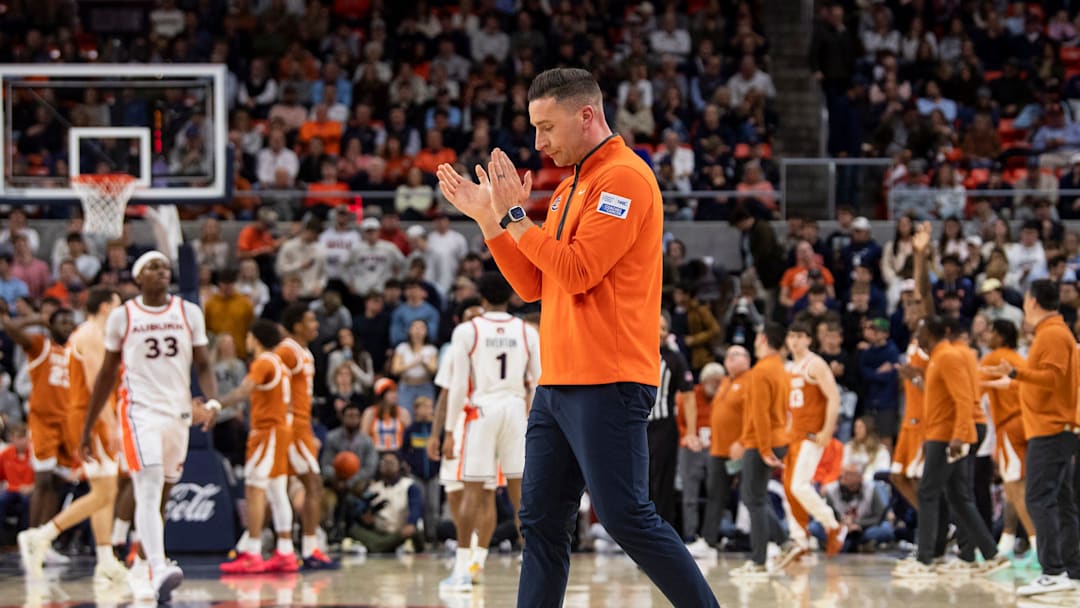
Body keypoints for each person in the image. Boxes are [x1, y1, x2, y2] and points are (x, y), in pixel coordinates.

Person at [435, 68, 719, 606]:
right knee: (540, 521)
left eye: (547, 127)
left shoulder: (625, 180)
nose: (539, 143)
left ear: (586, 115)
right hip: (558, 382)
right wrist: (491, 224)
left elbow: (580, 270)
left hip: (608, 378)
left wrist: (516, 217)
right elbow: (534, 284)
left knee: (626, 517)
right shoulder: (570, 186)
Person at [79, 251, 218, 603]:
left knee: (165, 492)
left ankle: (141, 565)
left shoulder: (189, 312)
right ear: (138, 277)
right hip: (140, 412)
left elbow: (203, 363)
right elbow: (107, 374)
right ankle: (158, 565)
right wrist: (88, 424)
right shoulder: (122, 316)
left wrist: (212, 400)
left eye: (165, 267)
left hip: (178, 414)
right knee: (149, 483)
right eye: (153, 267)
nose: (162, 271)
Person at [16, 287, 127, 582]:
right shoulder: (90, 335)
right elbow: (94, 384)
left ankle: (104, 558)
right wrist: (111, 422)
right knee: (104, 492)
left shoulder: (92, 334)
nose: (120, 310)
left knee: (107, 491)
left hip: (89, 414)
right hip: (91, 415)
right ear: (105, 307)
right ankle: (41, 535)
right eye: (117, 304)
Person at [441, 272, 541, 591]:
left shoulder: (467, 330)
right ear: (510, 296)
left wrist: (448, 429)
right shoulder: (527, 331)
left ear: (481, 298)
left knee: (472, 490)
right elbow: (537, 383)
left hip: (481, 410)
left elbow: (457, 385)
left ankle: (461, 570)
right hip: (516, 410)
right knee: (522, 495)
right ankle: (536, 565)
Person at [982, 279, 1080, 596]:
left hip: (1049, 429)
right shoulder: (1054, 332)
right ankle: (1072, 569)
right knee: (1062, 501)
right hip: (1054, 427)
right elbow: (1037, 383)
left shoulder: (1051, 334)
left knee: (1038, 497)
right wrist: (1007, 378)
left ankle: (1052, 570)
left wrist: (1013, 373)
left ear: (1032, 302)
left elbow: (1050, 379)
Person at [894, 316, 1008, 578]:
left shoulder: (948, 356)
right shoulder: (938, 357)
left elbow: (964, 398)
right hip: (942, 432)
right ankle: (991, 553)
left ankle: (925, 560)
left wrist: (959, 435)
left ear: (932, 333)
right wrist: (917, 377)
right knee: (957, 496)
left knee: (928, 492)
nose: (917, 338)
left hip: (945, 435)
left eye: (920, 333)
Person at [219, 320, 297, 574]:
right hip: (281, 429)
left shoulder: (263, 362)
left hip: (267, 431)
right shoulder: (280, 363)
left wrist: (215, 405)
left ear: (255, 338)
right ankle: (285, 551)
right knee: (277, 490)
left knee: (255, 489)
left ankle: (252, 551)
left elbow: (243, 391)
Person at [7, 305, 77, 575]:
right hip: (44, 422)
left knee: (58, 484)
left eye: (71, 322)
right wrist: (38, 319)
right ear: (51, 325)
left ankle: (45, 540)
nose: (68, 326)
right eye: (62, 321)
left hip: (68, 425)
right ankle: (32, 538)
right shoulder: (40, 345)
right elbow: (11, 329)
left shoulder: (74, 352)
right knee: (43, 479)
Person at [276, 304, 335, 569]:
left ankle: (257, 545)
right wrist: (287, 420)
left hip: (301, 425)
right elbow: (275, 385)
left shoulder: (303, 351)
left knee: (276, 487)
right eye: (311, 320)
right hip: (292, 426)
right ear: (298, 325)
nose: (316, 325)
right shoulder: (288, 350)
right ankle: (308, 549)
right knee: (311, 484)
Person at [731, 322, 793, 577]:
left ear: (764, 339)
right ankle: (785, 542)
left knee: (753, 499)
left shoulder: (760, 371)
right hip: (779, 439)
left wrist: (763, 449)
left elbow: (760, 416)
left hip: (761, 443)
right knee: (757, 497)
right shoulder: (781, 368)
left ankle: (758, 561)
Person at [782, 321, 845, 556]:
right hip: (793, 435)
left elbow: (834, 397)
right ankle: (800, 539)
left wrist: (827, 430)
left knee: (800, 485)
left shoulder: (815, 364)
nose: (795, 340)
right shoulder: (789, 367)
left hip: (811, 435)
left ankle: (833, 525)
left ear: (809, 339)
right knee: (789, 489)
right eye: (791, 336)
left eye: (800, 336)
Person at [980, 319, 1037, 565]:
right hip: (1024, 423)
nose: (986, 334)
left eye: (990, 330)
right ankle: (1007, 542)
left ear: (1001, 336)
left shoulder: (995, 358)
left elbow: (971, 383)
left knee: (1015, 487)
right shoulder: (1016, 358)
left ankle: (1038, 547)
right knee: (1012, 488)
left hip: (1011, 424)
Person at [648, 312, 700, 530]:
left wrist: (691, 431)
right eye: (657, 327)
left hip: (663, 428)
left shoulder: (674, 359)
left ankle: (661, 536)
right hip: (635, 428)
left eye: (664, 328)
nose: (661, 333)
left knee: (662, 485)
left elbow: (688, 397)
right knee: (639, 484)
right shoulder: (631, 354)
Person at [701, 347, 749, 547]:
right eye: (728, 355)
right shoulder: (725, 382)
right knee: (715, 496)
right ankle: (709, 540)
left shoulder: (751, 382)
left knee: (752, 497)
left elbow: (753, 417)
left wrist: (743, 442)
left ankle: (773, 540)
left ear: (747, 360)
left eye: (736, 355)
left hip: (741, 450)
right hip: (718, 450)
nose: (729, 358)